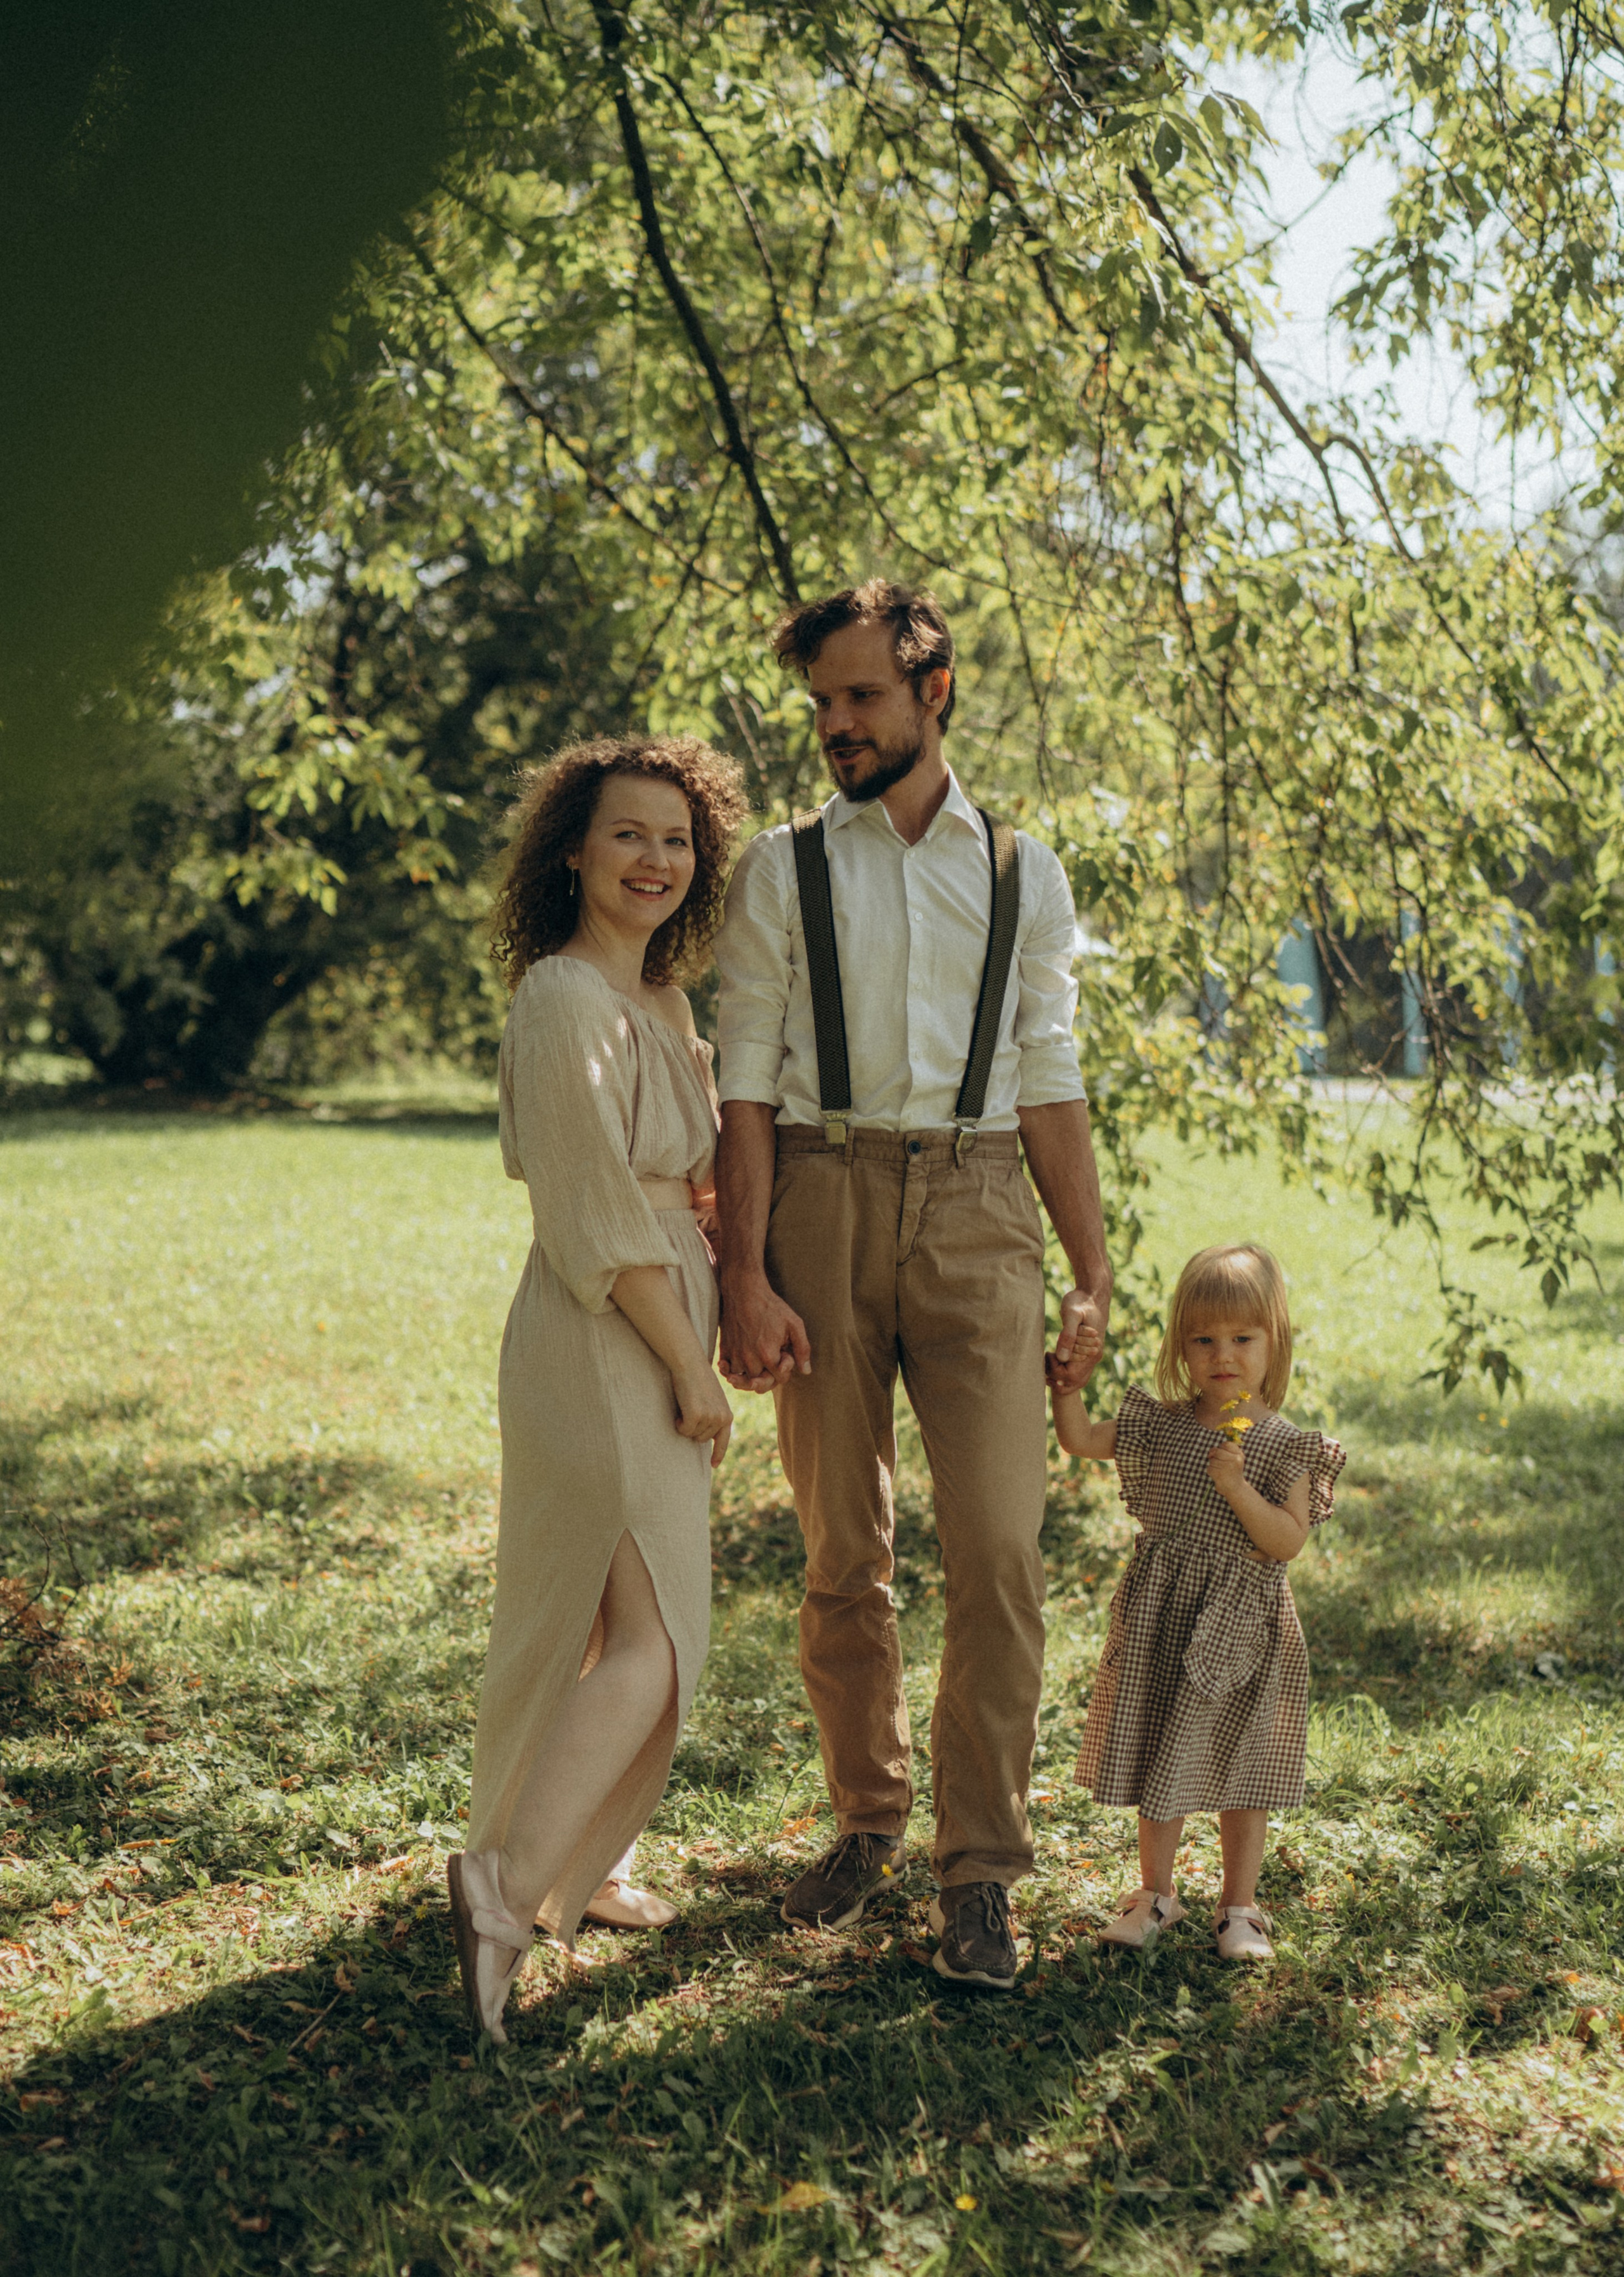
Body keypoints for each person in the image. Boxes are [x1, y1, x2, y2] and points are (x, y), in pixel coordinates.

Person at [713, 579, 1112, 1992]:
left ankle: (983, 1873)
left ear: (932, 692)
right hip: (817, 1199)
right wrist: (742, 1276)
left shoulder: (1022, 871)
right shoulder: (780, 868)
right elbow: (744, 1083)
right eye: (819, 701)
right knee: (841, 1549)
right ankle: (867, 1819)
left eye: (859, 696)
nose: (833, 724)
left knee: (999, 1554)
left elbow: (1051, 1079)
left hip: (978, 1203)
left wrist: (1090, 1272)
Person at [448, 736, 747, 2042]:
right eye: (628, 834)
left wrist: (737, 1303)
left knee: (608, 1614)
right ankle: (503, 1889)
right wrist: (689, 1363)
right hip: (601, 1320)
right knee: (652, 1644)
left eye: (677, 841)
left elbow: (696, 1187)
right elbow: (587, 1208)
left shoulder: (666, 1001)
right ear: (572, 848)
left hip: (661, 1297)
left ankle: (583, 1863)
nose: (655, 861)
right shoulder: (563, 998)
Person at [1052, 1242, 1344, 1961]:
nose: (1223, 1354)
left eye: (1243, 1338)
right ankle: (1156, 1893)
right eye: (1203, 1339)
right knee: (1164, 1756)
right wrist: (1065, 1382)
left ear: (1273, 1339)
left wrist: (1238, 1489)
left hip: (1245, 1627)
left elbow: (1287, 1542)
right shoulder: (1164, 1425)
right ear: (1180, 1346)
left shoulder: (1283, 1447)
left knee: (1244, 1768)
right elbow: (1082, 1437)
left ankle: (1238, 1908)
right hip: (1166, 1619)